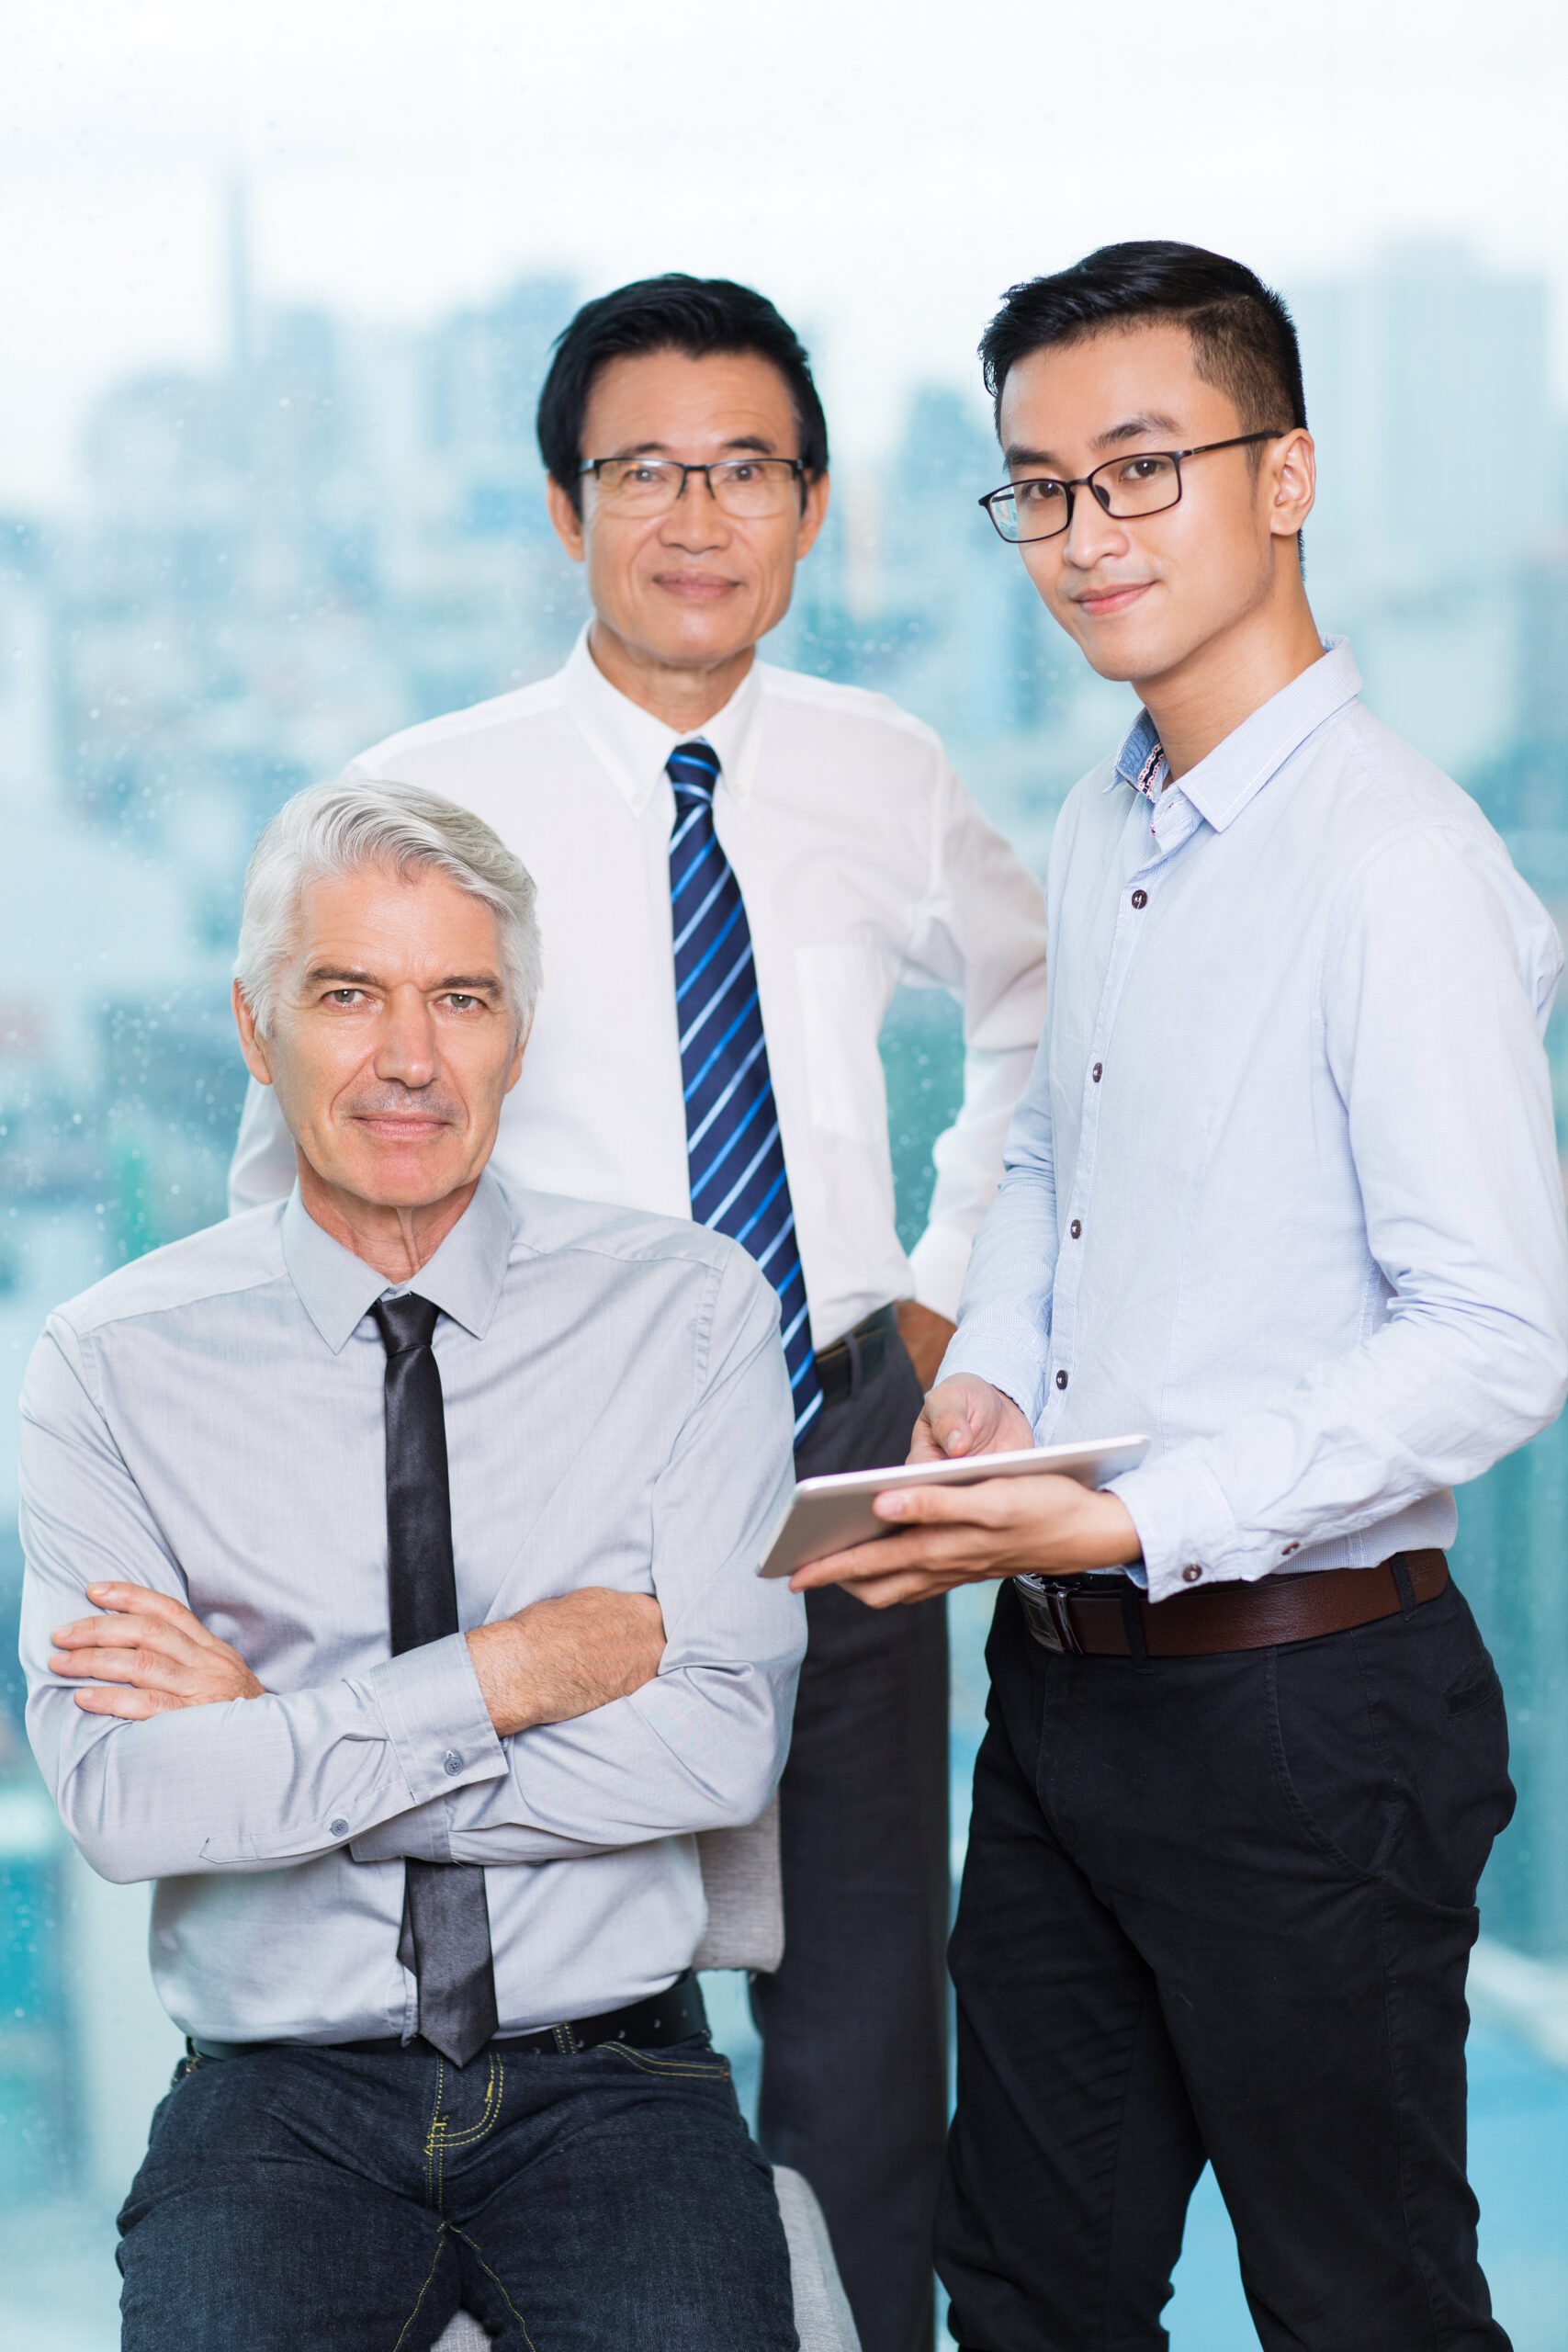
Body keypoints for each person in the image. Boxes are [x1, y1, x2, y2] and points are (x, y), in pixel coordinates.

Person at [226, 272, 1048, 2352]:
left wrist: (952, 1289)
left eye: (743, 468)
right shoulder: (425, 791)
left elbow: (1049, 999)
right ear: (560, 506)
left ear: (814, 504)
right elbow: (296, 1157)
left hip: (836, 1443)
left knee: (864, 2006)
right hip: (546, 1473)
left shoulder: (879, 766)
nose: (695, 513)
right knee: (558, 1992)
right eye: (642, 470)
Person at [793, 242, 1568, 2352]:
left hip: (1304, 1707)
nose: (1082, 535)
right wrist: (997, 1406)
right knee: (1027, 2289)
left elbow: (1499, 1327)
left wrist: (1132, 1509)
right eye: (1038, 489)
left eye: (1138, 470)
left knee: (1358, 2303)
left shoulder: (1388, 863)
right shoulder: (1106, 811)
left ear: (1286, 470)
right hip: (1069, 1697)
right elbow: (1059, 1157)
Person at [20, 781, 807, 2352]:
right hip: (276, 2099)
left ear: (518, 1032)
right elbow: (127, 1803)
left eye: (459, 998)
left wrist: (281, 1733)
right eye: (346, 995)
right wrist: (507, 1678)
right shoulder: (109, 1364)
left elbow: (720, 1752)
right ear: (259, 1032)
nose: (406, 1058)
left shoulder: (693, 1316)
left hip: (620, 2081)